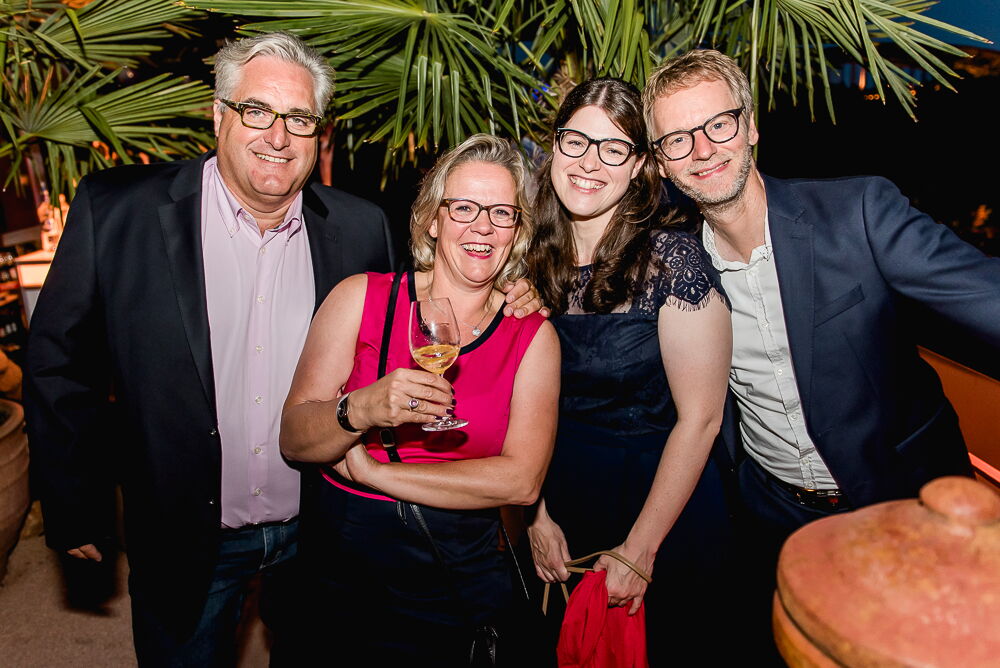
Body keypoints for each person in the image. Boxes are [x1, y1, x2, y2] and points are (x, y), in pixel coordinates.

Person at [24, 32, 541, 667]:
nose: (278, 136)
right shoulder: (119, 210)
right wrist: (73, 499)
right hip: (185, 527)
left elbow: (429, 297)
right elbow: (59, 361)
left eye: (298, 118)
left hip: (322, 530)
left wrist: (513, 286)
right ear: (219, 115)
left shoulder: (359, 227)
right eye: (257, 111)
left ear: (319, 133)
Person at [643, 48, 1000, 659]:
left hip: (901, 500)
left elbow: (985, 298)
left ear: (750, 127)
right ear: (660, 162)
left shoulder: (858, 213)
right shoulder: (676, 268)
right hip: (771, 516)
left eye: (718, 124)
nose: (702, 150)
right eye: (677, 139)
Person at [280, 133, 560, 664]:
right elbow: (293, 437)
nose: (483, 226)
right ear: (433, 219)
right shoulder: (361, 297)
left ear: (518, 231)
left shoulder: (531, 336)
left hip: (454, 575)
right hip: (342, 563)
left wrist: (375, 473)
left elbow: (521, 482)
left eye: (502, 213)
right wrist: (361, 409)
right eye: (464, 207)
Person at [524, 78, 733, 663]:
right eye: (576, 141)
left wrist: (640, 549)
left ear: (639, 165)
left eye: (613, 148)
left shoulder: (672, 261)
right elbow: (512, 406)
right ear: (554, 146)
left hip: (660, 510)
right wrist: (534, 515)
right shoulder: (526, 260)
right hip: (556, 506)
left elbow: (702, 419)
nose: (589, 162)